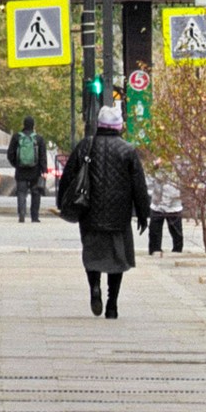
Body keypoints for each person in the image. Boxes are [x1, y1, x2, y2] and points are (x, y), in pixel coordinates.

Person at [57, 105, 149, 319]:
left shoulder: (85, 146)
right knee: (117, 258)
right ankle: (112, 304)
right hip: (119, 215)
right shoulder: (128, 150)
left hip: (89, 212)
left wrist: (64, 204)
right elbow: (139, 186)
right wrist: (143, 214)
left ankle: (94, 288)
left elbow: (68, 177)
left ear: (99, 124)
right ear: (118, 126)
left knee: (93, 254)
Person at [6, 115, 48, 223]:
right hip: (35, 170)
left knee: (21, 192)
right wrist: (44, 170)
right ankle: (34, 216)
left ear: (23, 125)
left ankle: (22, 214)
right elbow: (43, 156)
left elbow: (10, 154)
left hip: (21, 171)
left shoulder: (17, 137)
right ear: (33, 125)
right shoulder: (39, 138)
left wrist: (16, 164)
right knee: (36, 193)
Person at [146, 157, 184, 255]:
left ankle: (177, 252)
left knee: (176, 233)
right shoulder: (155, 163)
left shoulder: (179, 163)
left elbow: (185, 179)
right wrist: (153, 194)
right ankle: (155, 251)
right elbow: (148, 180)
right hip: (157, 204)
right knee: (154, 231)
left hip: (174, 204)